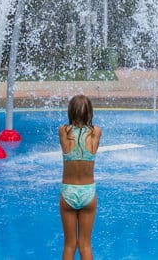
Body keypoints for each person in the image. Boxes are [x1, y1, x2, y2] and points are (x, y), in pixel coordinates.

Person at [59, 94, 101, 260]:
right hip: (88, 193)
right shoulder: (96, 132)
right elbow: (91, 128)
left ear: (70, 112)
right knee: (85, 244)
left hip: (68, 191)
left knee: (69, 244)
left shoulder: (63, 132)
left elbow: (69, 128)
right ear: (89, 113)